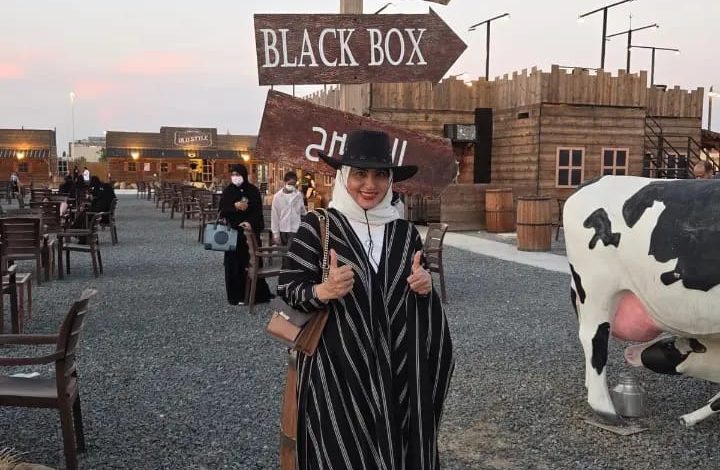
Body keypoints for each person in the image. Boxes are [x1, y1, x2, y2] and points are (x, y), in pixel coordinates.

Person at [277, 130, 454, 470]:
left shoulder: (404, 233)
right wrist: (322, 291)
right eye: (360, 174)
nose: (370, 185)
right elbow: (288, 288)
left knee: (397, 447)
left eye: (380, 175)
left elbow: (419, 290)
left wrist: (424, 287)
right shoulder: (318, 226)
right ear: (344, 177)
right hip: (337, 372)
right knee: (340, 452)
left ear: (391, 180)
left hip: (398, 372)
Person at [219, 163, 273, 306]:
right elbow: (222, 210)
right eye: (233, 175)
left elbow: (257, 212)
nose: (235, 177)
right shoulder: (228, 191)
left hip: (249, 232)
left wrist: (249, 222)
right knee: (234, 265)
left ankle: (256, 294)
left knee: (251, 262)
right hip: (232, 233)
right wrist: (234, 206)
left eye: (238, 174)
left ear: (244, 175)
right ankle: (236, 296)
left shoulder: (252, 191)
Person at [270, 171, 306, 246]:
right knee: (282, 252)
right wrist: (276, 234)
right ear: (284, 182)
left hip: (294, 230)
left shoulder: (298, 195)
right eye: (290, 184)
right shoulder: (277, 197)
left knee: (291, 251)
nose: (291, 186)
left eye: (294, 184)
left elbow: (303, 212)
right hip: (282, 230)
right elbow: (275, 216)